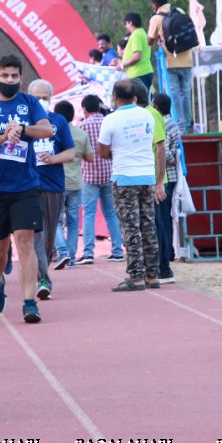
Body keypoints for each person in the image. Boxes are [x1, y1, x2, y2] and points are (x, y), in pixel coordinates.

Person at [0, 55, 55, 323]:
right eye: (4, 76)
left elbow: (48, 129)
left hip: (26, 185)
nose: (9, 80)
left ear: (20, 79)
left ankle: (29, 302)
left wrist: (24, 128)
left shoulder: (29, 103)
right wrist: (5, 136)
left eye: (14, 76)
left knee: (25, 241)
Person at [98, 79, 164, 291]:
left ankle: (136, 277)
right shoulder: (148, 114)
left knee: (130, 228)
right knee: (148, 226)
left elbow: (103, 152)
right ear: (135, 97)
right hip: (147, 176)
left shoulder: (110, 119)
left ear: (114, 97)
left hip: (124, 178)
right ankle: (153, 275)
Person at [26, 80, 75, 299]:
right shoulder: (22, 121)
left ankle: (41, 271)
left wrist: (53, 158)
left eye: (45, 97)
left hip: (54, 186)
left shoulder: (58, 121)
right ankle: (42, 278)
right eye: (36, 98)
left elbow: (71, 153)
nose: (41, 101)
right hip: (28, 186)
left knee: (48, 238)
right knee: (37, 235)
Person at [76, 94, 124, 264]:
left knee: (89, 213)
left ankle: (88, 252)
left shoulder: (81, 126)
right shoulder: (108, 122)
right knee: (111, 213)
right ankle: (118, 250)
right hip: (109, 173)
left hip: (89, 175)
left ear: (85, 109)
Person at [51, 100, 92, 270]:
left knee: (56, 221)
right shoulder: (81, 134)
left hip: (58, 183)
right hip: (76, 182)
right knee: (74, 222)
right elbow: (90, 158)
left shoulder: (53, 133)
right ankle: (72, 257)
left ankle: (63, 252)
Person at [147, 0, 193, 132]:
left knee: (174, 94)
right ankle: (187, 123)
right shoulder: (179, 11)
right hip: (187, 60)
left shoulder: (156, 18)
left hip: (170, 61)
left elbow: (150, 40)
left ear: (155, 5)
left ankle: (180, 127)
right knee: (186, 93)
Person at [152, 93, 181, 284]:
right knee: (166, 218)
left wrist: (161, 159)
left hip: (164, 178)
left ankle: (166, 254)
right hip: (169, 178)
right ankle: (169, 252)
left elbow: (171, 153)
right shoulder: (172, 123)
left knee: (162, 218)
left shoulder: (163, 123)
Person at [112, 13, 154, 91]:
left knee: (139, 101)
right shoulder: (143, 33)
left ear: (130, 23)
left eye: (126, 24)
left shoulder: (136, 35)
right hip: (144, 72)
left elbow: (137, 56)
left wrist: (122, 65)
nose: (126, 27)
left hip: (139, 73)